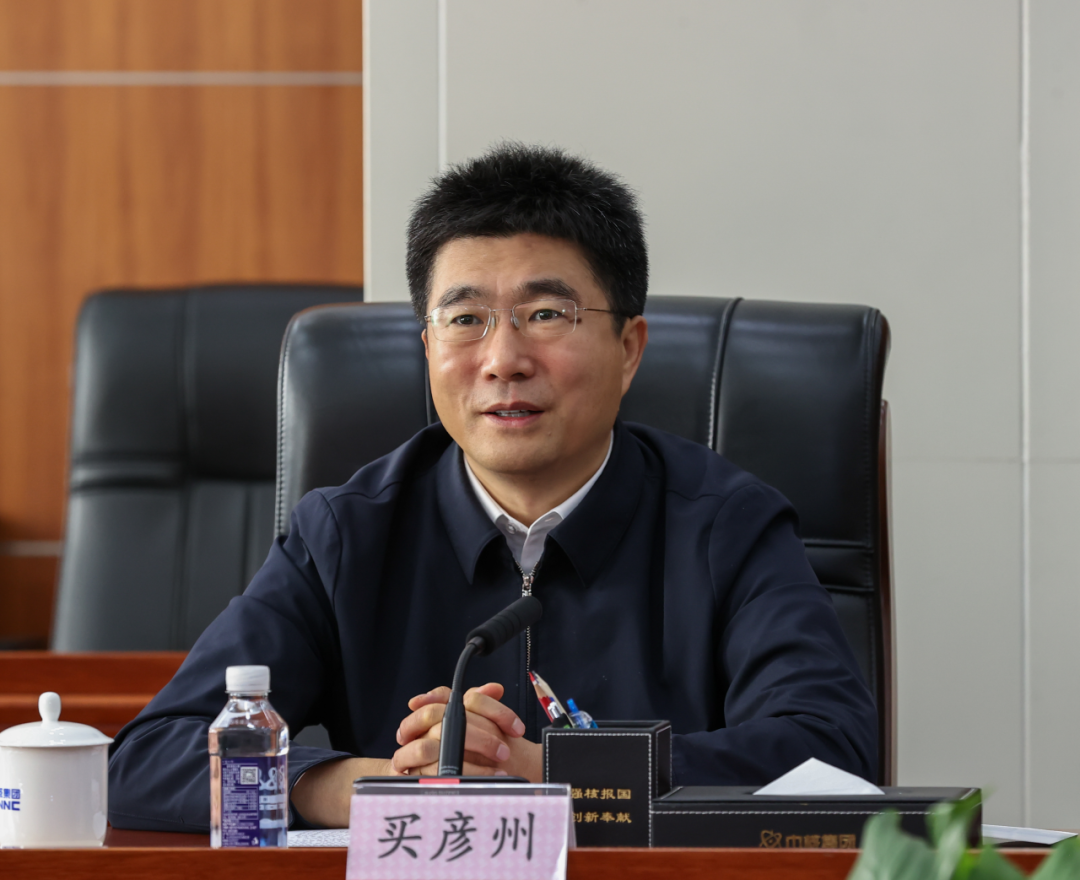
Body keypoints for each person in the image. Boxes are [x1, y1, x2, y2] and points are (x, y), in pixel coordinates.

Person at [108, 143, 877, 832]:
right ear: (427, 348)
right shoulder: (346, 535)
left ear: (628, 348)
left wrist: (553, 774)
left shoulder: (725, 526)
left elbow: (833, 751)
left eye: (545, 314)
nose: (503, 359)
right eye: (465, 318)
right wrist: (372, 787)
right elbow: (147, 759)